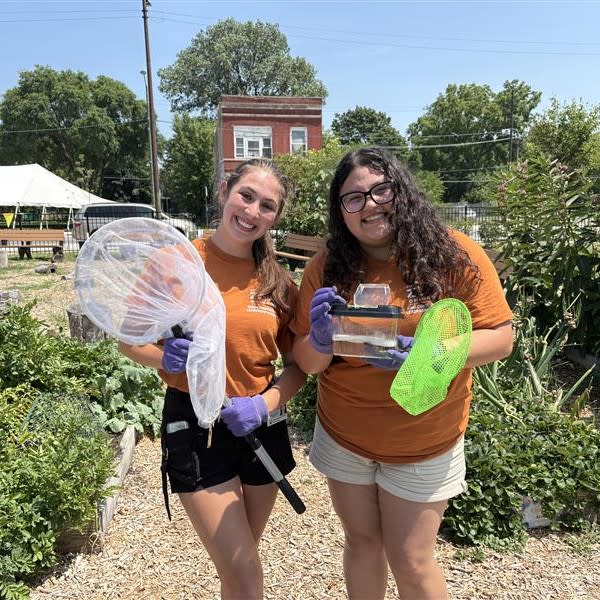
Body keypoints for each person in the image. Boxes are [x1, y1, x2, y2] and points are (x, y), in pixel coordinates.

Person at [291, 147, 513, 600]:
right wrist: (317, 340)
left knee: (411, 558)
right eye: (353, 198)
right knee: (362, 543)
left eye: (380, 190)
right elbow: (307, 364)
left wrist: (435, 351)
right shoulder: (326, 267)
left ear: (401, 191)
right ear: (341, 212)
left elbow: (501, 337)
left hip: (424, 439)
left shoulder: (453, 254)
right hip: (345, 436)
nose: (369, 204)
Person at [118, 158, 306, 600]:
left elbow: (299, 366)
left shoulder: (277, 282)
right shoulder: (177, 263)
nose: (252, 211)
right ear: (225, 192)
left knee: (240, 567)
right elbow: (129, 340)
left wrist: (266, 404)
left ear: (275, 217)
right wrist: (167, 358)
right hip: (196, 428)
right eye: (246, 196)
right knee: (244, 573)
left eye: (267, 205)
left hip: (259, 424)